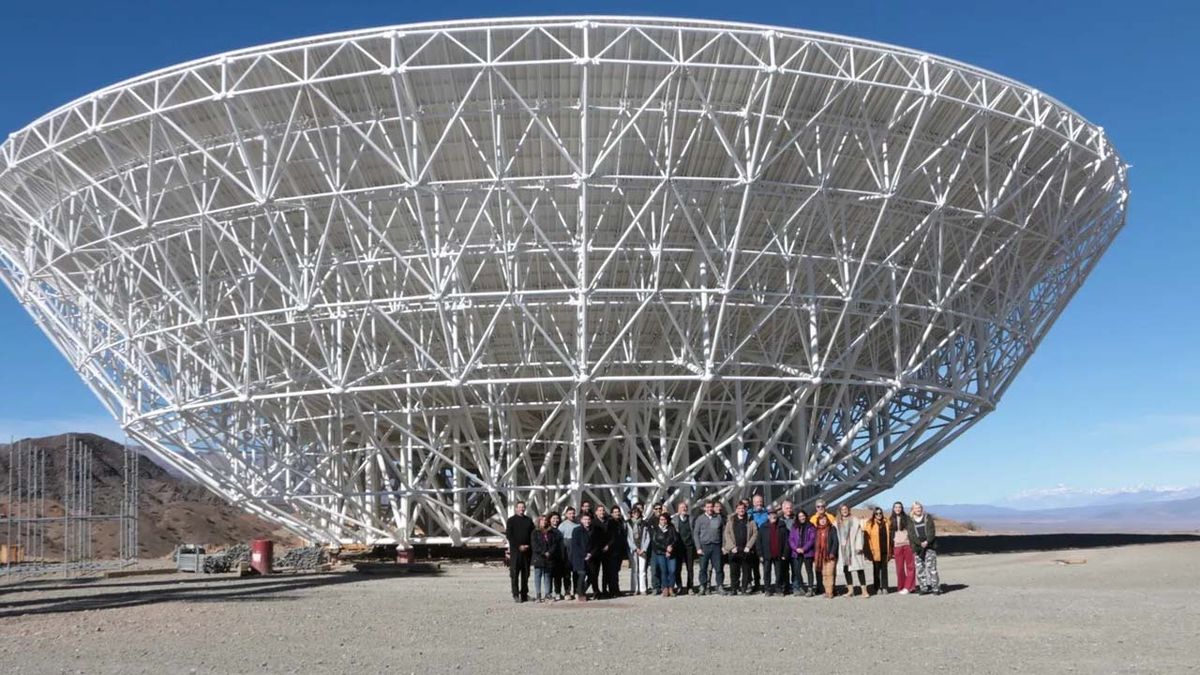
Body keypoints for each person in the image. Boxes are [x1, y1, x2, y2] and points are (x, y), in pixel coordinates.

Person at [722, 502, 758, 595]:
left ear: (745, 509)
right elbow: (727, 534)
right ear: (736, 510)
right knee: (734, 571)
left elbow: (755, 534)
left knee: (746, 570)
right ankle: (734, 589)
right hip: (734, 549)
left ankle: (744, 589)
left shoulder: (751, 521)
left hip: (746, 549)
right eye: (739, 508)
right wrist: (731, 547)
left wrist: (749, 546)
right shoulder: (731, 521)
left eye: (743, 508)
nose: (741, 510)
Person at [836, 504, 870, 598]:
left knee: (859, 569)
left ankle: (864, 591)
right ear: (840, 511)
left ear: (849, 510)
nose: (844, 511)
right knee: (846, 570)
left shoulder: (855, 520)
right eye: (842, 509)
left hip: (854, 547)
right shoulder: (837, 522)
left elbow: (859, 534)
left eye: (846, 509)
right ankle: (850, 591)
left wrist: (859, 546)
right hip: (843, 549)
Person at [505, 501, 535, 603]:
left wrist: (529, 546)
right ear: (516, 508)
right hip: (515, 552)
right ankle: (515, 594)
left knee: (526, 574)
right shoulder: (511, 521)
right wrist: (519, 546)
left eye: (523, 507)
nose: (522, 509)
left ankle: (524, 594)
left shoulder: (528, 521)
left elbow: (532, 535)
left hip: (527, 552)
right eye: (520, 507)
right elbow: (509, 535)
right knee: (514, 574)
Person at [908, 501, 940, 595]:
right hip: (918, 548)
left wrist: (927, 541)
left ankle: (935, 588)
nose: (918, 509)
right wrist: (919, 543)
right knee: (920, 569)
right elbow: (911, 535)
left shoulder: (927, 518)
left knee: (932, 568)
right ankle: (923, 588)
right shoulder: (910, 521)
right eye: (916, 508)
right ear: (913, 510)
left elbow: (931, 531)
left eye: (919, 508)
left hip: (929, 546)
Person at [693, 500, 725, 595]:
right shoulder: (700, 519)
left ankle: (719, 586)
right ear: (704, 508)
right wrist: (698, 547)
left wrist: (723, 545)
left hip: (716, 545)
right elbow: (696, 533)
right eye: (707, 507)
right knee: (703, 568)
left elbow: (723, 532)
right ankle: (703, 586)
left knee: (718, 568)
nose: (709, 509)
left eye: (711, 507)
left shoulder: (718, 518)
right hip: (704, 546)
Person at [757, 508, 789, 596]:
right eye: (770, 514)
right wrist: (760, 554)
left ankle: (778, 589)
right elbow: (759, 541)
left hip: (779, 554)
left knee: (779, 573)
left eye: (774, 514)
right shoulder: (763, 527)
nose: (773, 516)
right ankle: (767, 589)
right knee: (766, 572)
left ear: (777, 515)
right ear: (768, 516)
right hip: (767, 554)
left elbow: (786, 541)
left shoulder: (782, 526)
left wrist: (785, 553)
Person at [531, 515, 562, 602]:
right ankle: (538, 595)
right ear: (539, 521)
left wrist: (550, 552)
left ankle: (547, 594)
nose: (544, 522)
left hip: (549, 558)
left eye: (545, 520)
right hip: (539, 557)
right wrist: (544, 552)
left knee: (547, 576)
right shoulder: (535, 532)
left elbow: (554, 544)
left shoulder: (551, 532)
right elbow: (535, 545)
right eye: (542, 520)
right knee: (538, 576)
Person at [649, 512, 680, 597]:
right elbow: (655, 542)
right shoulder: (655, 529)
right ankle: (665, 588)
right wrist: (666, 548)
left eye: (664, 519)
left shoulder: (671, 528)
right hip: (661, 553)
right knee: (664, 571)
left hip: (672, 553)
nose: (663, 521)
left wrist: (671, 547)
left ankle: (671, 588)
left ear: (667, 520)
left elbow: (676, 539)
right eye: (661, 519)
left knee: (672, 570)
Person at [863, 506, 892, 595]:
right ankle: (877, 587)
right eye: (877, 513)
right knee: (876, 570)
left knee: (884, 569)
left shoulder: (887, 522)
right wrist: (868, 551)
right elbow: (866, 538)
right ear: (874, 514)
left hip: (885, 550)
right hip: (875, 551)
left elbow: (890, 536)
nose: (879, 515)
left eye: (880, 513)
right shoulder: (870, 523)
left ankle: (885, 587)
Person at [789, 508, 816, 596]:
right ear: (797, 517)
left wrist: (804, 549)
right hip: (796, 552)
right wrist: (796, 548)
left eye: (803, 516)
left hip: (807, 552)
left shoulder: (811, 526)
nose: (802, 518)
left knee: (809, 571)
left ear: (806, 516)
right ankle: (801, 587)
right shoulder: (794, 526)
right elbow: (791, 539)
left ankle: (810, 588)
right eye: (800, 516)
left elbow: (812, 539)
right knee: (797, 571)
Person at [890, 501, 916, 594]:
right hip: (897, 546)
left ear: (902, 508)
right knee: (899, 568)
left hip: (907, 545)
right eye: (896, 507)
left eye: (899, 507)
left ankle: (909, 587)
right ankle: (901, 586)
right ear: (893, 509)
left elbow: (912, 531)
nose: (898, 509)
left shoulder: (907, 518)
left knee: (910, 566)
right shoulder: (890, 519)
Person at [570, 513, 595, 601]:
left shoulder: (593, 530)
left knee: (592, 576)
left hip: (590, 556)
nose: (587, 521)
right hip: (579, 557)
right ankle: (581, 594)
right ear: (581, 520)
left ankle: (580, 591)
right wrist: (584, 555)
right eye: (585, 519)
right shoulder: (576, 530)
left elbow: (596, 544)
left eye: (588, 519)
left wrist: (590, 554)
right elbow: (575, 545)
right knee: (582, 574)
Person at [672, 500, 695, 594]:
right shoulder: (674, 520)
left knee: (690, 568)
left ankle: (690, 587)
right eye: (682, 507)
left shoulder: (691, 519)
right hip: (678, 547)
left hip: (689, 547)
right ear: (678, 509)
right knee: (678, 568)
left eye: (685, 507)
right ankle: (679, 586)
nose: (684, 509)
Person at [813, 513, 838, 599]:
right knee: (824, 574)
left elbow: (835, 542)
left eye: (824, 519)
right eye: (821, 519)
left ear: (827, 520)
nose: (822, 521)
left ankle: (830, 592)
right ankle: (826, 591)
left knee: (830, 574)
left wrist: (832, 553)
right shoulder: (817, 530)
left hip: (830, 555)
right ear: (818, 521)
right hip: (820, 556)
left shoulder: (832, 528)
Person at [605, 505, 628, 597]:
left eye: (618, 512)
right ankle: (613, 590)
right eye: (615, 512)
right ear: (611, 514)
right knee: (613, 571)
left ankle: (616, 589)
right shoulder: (610, 523)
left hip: (619, 550)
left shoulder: (621, 522)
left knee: (616, 570)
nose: (617, 513)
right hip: (612, 550)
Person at [558, 507, 580, 600]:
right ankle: (567, 592)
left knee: (576, 573)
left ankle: (576, 591)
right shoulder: (562, 525)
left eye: (573, 513)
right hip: (566, 550)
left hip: (576, 550)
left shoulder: (578, 525)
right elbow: (559, 539)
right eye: (570, 513)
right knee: (566, 573)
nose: (572, 515)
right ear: (566, 514)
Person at [627, 505, 650, 595]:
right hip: (633, 550)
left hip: (642, 549)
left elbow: (647, 537)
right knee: (634, 569)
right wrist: (635, 548)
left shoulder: (644, 524)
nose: (635, 514)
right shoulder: (628, 523)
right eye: (634, 512)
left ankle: (643, 589)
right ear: (631, 514)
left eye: (637, 512)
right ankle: (634, 588)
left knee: (642, 570)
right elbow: (628, 538)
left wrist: (644, 549)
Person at [749, 494, 769, 591]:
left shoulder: (767, 513)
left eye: (760, 501)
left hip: (764, 542)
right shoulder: (749, 514)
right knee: (753, 564)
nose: (759, 504)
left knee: (766, 565)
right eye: (757, 502)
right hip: (753, 542)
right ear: (753, 503)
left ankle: (766, 584)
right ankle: (756, 584)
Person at [588, 505, 609, 597]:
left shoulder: (609, 521)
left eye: (603, 510)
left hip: (607, 551)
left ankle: (605, 589)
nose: (602, 512)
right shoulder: (593, 523)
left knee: (606, 572)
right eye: (600, 510)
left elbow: (612, 535)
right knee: (595, 572)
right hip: (596, 551)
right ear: (596, 512)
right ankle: (596, 591)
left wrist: (608, 545)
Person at [548, 512, 567, 600]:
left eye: (557, 518)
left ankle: (558, 592)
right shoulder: (549, 530)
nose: (555, 520)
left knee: (558, 576)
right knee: (550, 576)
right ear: (549, 519)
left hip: (560, 556)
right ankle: (549, 592)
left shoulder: (559, 529)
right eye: (553, 518)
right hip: (552, 557)